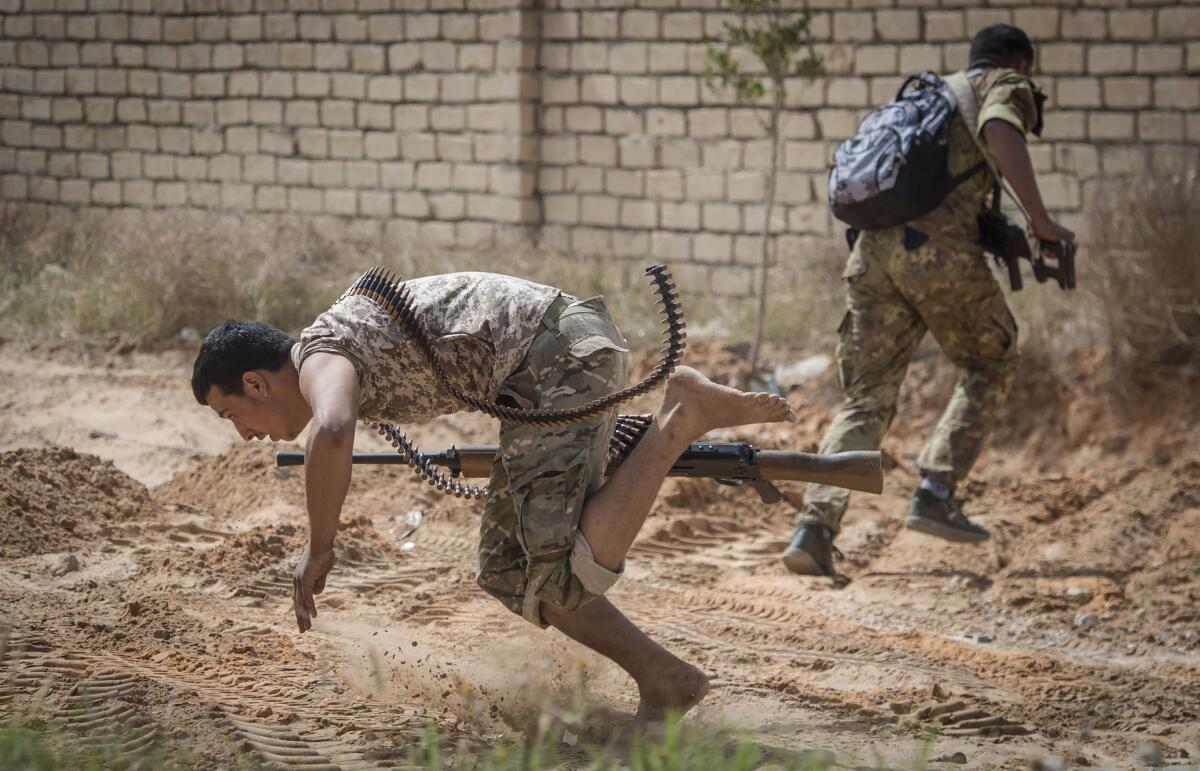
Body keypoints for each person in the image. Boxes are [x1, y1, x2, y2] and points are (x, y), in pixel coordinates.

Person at [191, 270, 794, 720]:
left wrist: (320, 547)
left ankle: (682, 417)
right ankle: (664, 676)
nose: (244, 433)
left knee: (549, 572)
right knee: (508, 570)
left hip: (557, 358)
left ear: (254, 382)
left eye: (231, 414)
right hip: (548, 363)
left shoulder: (320, 360)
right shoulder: (329, 345)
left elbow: (332, 429)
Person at [783, 24, 1076, 576]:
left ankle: (815, 530)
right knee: (991, 361)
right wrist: (1040, 221)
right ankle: (936, 491)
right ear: (1021, 63)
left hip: (871, 258)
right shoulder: (1003, 84)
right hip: (935, 256)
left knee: (866, 398)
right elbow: (999, 126)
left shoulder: (927, 97)